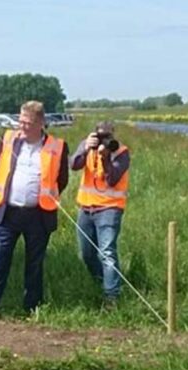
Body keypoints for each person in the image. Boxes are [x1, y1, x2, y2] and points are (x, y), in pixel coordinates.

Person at [0, 100, 69, 322]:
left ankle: (32, 307)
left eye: (28, 123)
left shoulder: (57, 146)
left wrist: (42, 195)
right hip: (8, 212)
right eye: (20, 121)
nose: (22, 126)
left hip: (39, 215)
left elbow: (62, 179)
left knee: (34, 263)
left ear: (41, 124)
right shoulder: (8, 139)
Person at [70, 120, 130, 308]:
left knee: (107, 253)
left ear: (114, 134)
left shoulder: (121, 152)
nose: (104, 139)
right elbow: (74, 165)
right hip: (86, 207)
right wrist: (85, 149)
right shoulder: (88, 145)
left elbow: (112, 180)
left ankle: (112, 296)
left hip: (110, 208)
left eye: (108, 135)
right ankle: (102, 281)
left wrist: (105, 158)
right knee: (87, 254)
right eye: (101, 135)